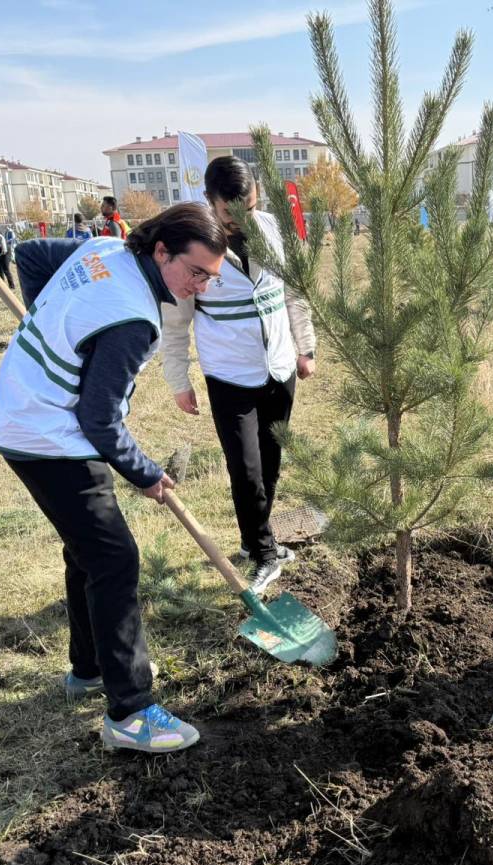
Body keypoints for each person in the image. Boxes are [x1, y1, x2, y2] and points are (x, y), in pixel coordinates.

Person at [0, 202, 227, 753]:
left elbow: (31, 255)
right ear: (161, 250)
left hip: (31, 412)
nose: (202, 288)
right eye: (195, 273)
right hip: (45, 433)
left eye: (211, 278)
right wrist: (144, 472)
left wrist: (50, 320)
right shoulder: (133, 321)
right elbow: (100, 419)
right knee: (115, 558)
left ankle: (90, 667)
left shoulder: (106, 249)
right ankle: (130, 712)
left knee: (89, 549)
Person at [160, 156, 317, 593]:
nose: (239, 221)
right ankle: (265, 554)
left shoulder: (275, 230)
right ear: (210, 203)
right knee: (244, 468)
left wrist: (305, 348)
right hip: (229, 375)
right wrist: (179, 380)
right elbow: (174, 323)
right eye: (229, 214)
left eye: (246, 208)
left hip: (279, 367)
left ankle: (253, 540)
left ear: (256, 197)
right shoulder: (194, 247)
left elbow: (295, 294)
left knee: (270, 462)